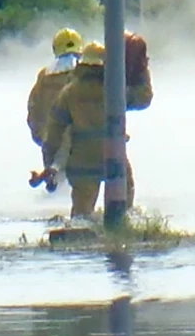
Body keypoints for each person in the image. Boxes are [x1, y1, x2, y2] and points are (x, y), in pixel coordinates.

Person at [41, 41, 135, 220]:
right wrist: (141, 70)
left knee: (80, 219)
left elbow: (54, 130)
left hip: (81, 163)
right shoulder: (115, 89)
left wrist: (49, 164)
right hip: (113, 158)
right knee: (124, 215)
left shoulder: (69, 92)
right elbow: (143, 98)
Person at [27, 28, 84, 181]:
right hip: (82, 143)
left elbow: (33, 110)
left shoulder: (44, 76)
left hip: (50, 141)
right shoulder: (85, 73)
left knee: (55, 185)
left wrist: (41, 136)